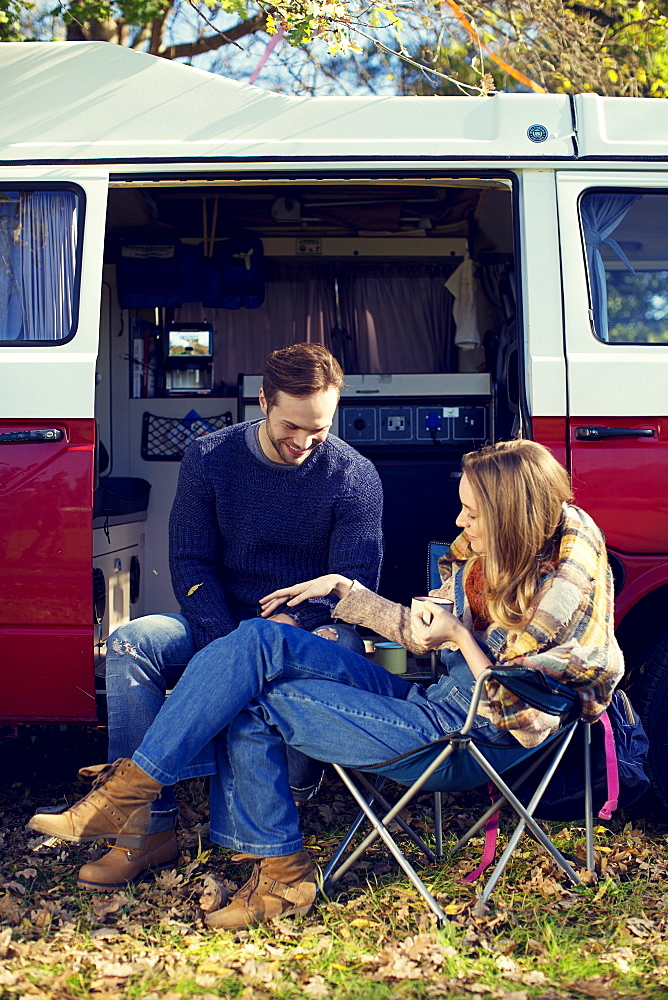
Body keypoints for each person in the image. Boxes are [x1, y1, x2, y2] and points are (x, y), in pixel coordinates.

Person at [30, 440, 623, 929]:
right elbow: (420, 635)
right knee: (260, 640)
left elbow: (521, 712)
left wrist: (461, 639)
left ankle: (276, 873)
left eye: (472, 511)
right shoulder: (493, 553)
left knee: (254, 700)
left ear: (511, 514)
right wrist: (342, 591)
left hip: (468, 734)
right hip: (430, 702)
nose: (459, 522)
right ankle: (133, 794)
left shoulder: (563, 577)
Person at [78, 342, 383, 891]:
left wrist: (290, 629)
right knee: (131, 642)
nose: (305, 442)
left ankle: (274, 819)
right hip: (220, 618)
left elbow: (357, 583)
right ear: (263, 400)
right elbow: (190, 561)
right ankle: (144, 829)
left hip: (309, 630)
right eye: (292, 425)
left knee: (310, 651)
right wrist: (228, 640)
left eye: (319, 429)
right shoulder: (210, 457)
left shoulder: (354, 475)